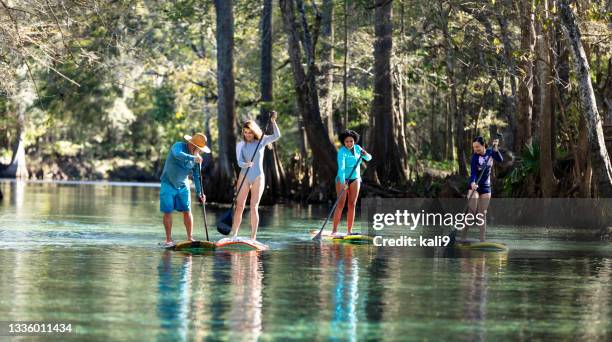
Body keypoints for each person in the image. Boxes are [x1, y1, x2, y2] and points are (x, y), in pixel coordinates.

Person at [230, 111, 281, 241]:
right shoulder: (240, 145)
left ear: (254, 131)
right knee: (240, 205)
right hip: (244, 176)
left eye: (250, 132)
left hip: (258, 177)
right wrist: (245, 164)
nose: (247, 135)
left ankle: (253, 237)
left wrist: (273, 121)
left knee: (254, 206)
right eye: (245, 133)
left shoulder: (262, 141)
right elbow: (239, 161)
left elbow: (277, 135)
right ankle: (234, 235)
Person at [160, 133, 211, 247]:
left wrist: (200, 192)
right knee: (167, 210)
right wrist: (193, 157)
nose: (200, 151)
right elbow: (178, 155)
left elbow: (197, 177)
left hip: (183, 186)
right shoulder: (178, 146)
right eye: (199, 149)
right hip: (168, 183)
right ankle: (168, 240)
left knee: (187, 211)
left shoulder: (197, 159)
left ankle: (190, 237)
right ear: (192, 145)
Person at [462, 136, 503, 242]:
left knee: (482, 214)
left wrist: (496, 149)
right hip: (474, 186)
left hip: (486, 187)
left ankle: (482, 240)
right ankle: (463, 236)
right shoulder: (475, 157)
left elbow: (500, 160)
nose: (475, 149)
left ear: (484, 145)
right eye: (474, 147)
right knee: (472, 210)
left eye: (477, 147)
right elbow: (473, 173)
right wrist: (473, 183)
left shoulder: (490, 152)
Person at [331, 130, 372, 236]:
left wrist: (365, 154)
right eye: (347, 141)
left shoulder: (358, 148)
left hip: (356, 179)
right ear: (343, 142)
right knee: (340, 204)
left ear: (354, 141)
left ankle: (349, 231)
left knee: (352, 204)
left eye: (351, 141)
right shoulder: (342, 152)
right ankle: (334, 231)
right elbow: (341, 168)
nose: (349, 143)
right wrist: (343, 181)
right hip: (343, 178)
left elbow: (369, 158)